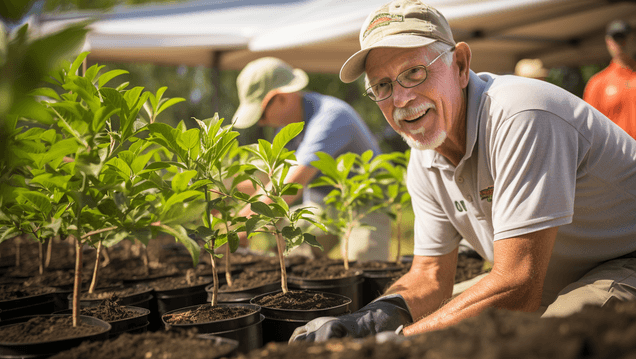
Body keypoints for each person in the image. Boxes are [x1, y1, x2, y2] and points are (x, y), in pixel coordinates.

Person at [290, 0, 636, 342]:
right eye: (382, 86)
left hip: (623, 261)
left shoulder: (520, 116)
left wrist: (399, 340)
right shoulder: (424, 156)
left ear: (459, 64)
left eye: (414, 72)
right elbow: (429, 275)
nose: (400, 99)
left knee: (545, 341)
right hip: (547, 275)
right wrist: (363, 323)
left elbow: (517, 285)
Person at [231, 57, 390, 261]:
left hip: (365, 204)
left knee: (362, 266)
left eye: (261, 115)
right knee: (288, 250)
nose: (262, 123)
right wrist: (224, 194)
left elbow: (290, 186)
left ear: (282, 97)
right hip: (323, 205)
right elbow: (270, 179)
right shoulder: (287, 130)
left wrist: (240, 228)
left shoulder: (330, 117)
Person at [583, 19, 636, 139]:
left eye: (623, 38)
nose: (620, 43)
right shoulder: (597, 83)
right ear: (608, 42)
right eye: (615, 39)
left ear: (632, 39)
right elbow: (590, 128)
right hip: (617, 156)